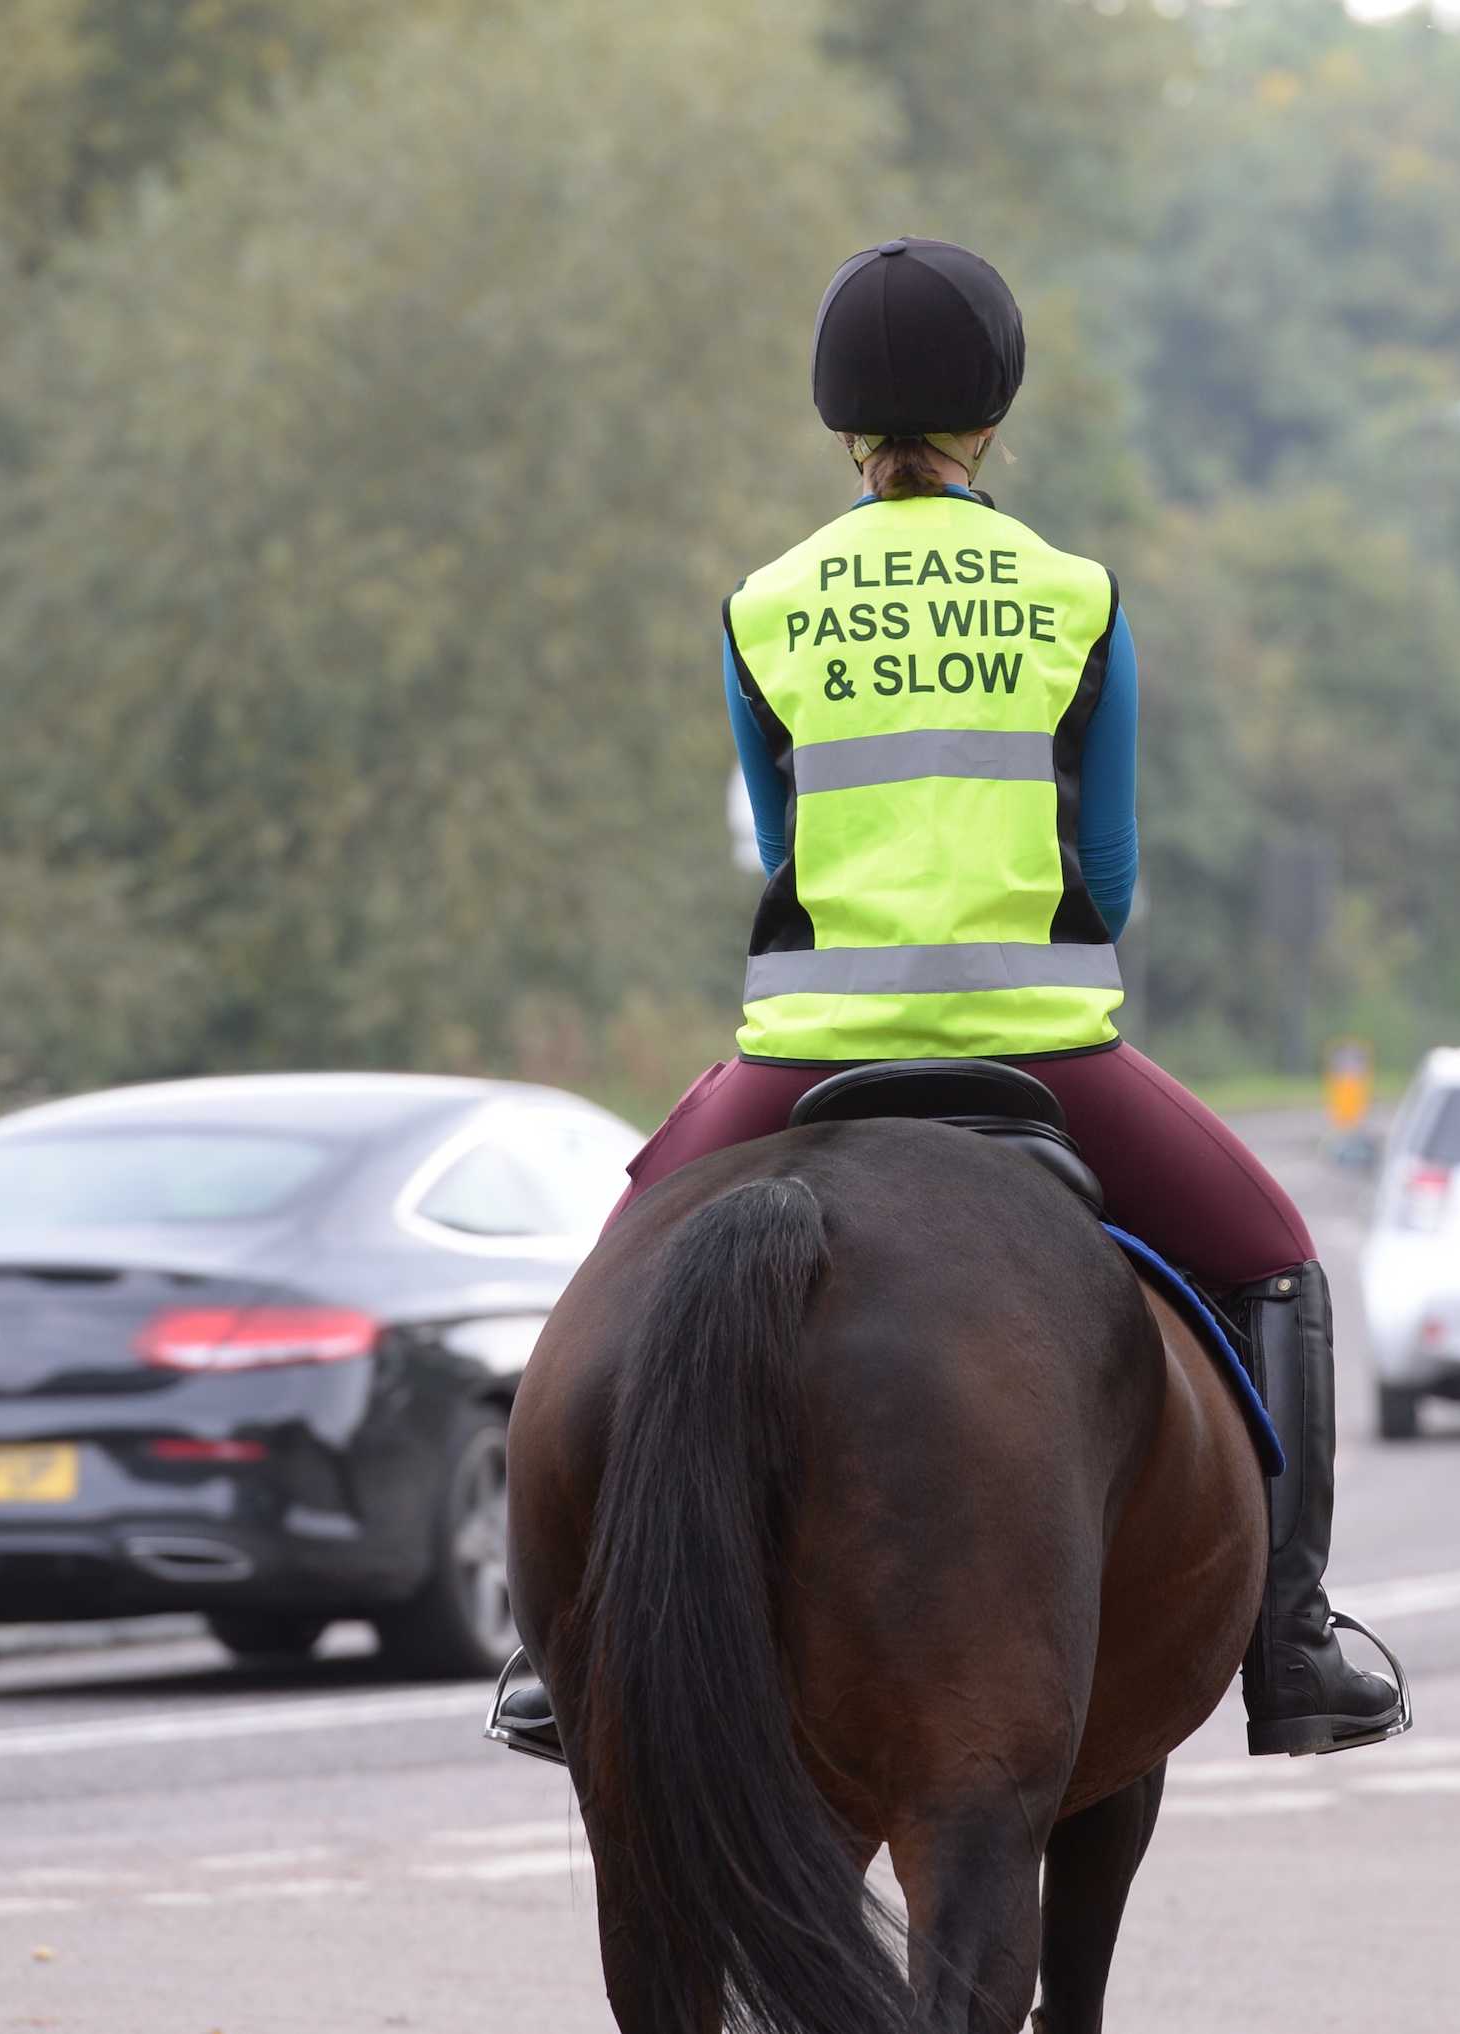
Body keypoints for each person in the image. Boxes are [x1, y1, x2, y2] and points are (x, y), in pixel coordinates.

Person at [502, 236, 1398, 1761]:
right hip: (1045, 1049)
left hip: (804, 1053)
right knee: (1275, 1257)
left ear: (839, 417)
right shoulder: (1073, 595)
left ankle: (548, 1651)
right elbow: (1103, 874)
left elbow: (787, 846)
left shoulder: (765, 605)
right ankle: (1294, 1640)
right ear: (995, 410)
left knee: (616, 1265)